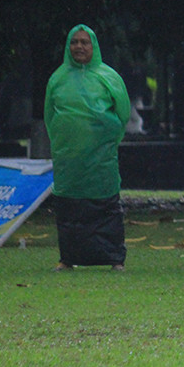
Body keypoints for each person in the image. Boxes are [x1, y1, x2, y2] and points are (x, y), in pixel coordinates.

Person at [44, 24, 131, 272]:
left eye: (84, 42)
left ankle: (115, 258)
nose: (79, 47)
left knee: (105, 205)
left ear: (94, 46)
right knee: (69, 208)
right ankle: (67, 258)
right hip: (68, 160)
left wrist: (105, 138)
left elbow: (122, 114)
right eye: (74, 42)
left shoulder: (109, 77)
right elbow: (50, 118)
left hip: (101, 159)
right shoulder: (57, 79)